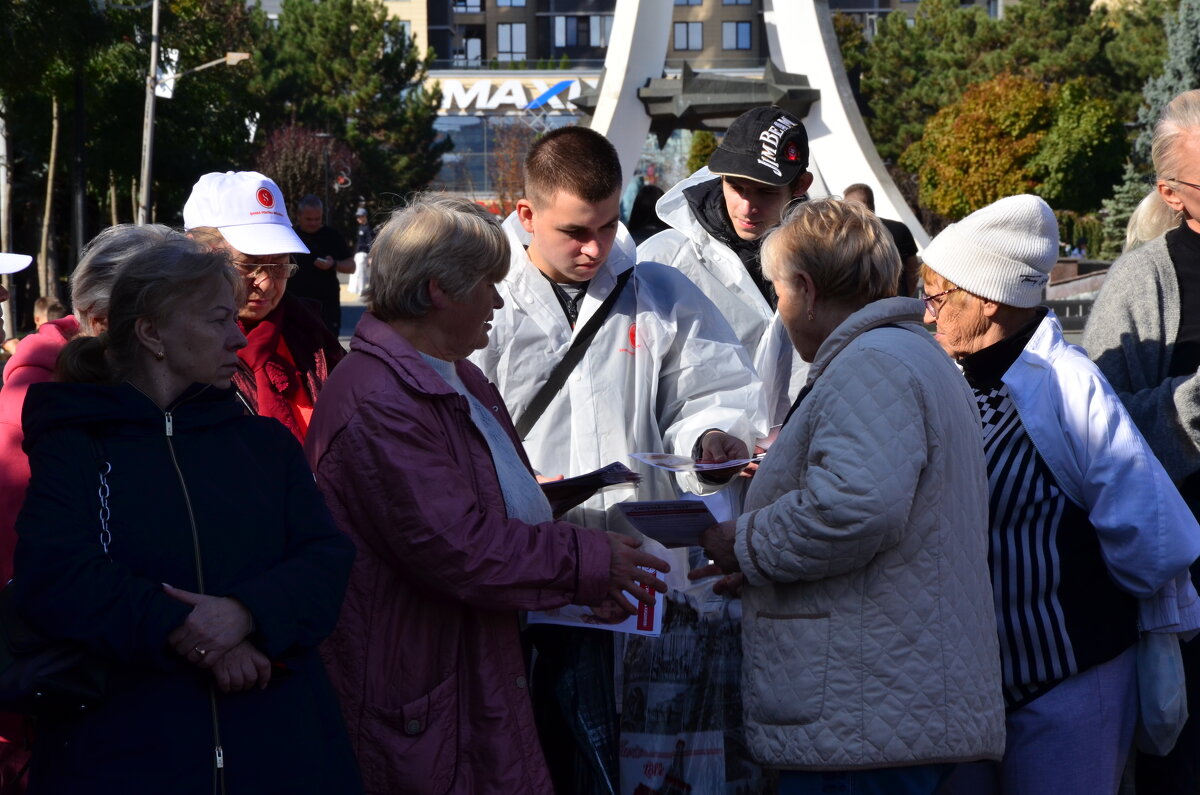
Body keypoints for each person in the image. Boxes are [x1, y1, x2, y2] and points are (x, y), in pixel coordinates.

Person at [304, 195, 669, 794]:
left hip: (461, 669)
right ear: (439, 291)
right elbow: (456, 548)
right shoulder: (382, 400)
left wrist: (570, 571)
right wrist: (585, 562)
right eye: (488, 285)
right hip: (426, 687)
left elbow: (480, 509)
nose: (500, 301)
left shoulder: (450, 372)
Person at [12, 236, 361, 793]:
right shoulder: (75, 441)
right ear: (152, 332)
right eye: (218, 319)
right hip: (125, 755)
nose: (238, 336)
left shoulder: (265, 444)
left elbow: (326, 558)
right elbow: (56, 575)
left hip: (279, 749)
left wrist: (246, 614)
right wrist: (187, 628)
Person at [697, 197, 1004, 794]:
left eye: (779, 292)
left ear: (807, 290)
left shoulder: (873, 364)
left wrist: (745, 543)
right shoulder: (912, 355)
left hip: (869, 722)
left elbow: (854, 508)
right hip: (891, 707)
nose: (779, 310)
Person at [919, 194, 1200, 795]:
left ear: (987, 299)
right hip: (974, 688)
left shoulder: (1066, 385)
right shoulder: (957, 376)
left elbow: (1155, 537)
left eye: (938, 296)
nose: (926, 314)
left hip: (1069, 683)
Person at [1083, 88, 1200, 794]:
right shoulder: (1144, 281)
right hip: (1189, 604)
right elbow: (1102, 447)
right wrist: (1192, 409)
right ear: (1172, 192)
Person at [639, 106, 812, 424]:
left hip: (794, 462)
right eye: (737, 188)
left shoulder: (827, 262)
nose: (747, 207)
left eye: (765, 192)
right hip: (694, 466)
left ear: (800, 185)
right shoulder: (662, 261)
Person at [183, 171, 345, 443]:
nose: (268, 284)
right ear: (199, 255)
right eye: (249, 265)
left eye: (279, 265)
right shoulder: (175, 354)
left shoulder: (311, 334)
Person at [290, 195, 354, 336]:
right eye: (309, 219)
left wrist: (334, 264)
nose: (313, 223)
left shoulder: (332, 236)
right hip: (295, 304)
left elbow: (351, 266)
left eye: (317, 219)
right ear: (299, 216)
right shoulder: (290, 236)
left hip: (326, 306)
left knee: (329, 348)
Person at [842, 182, 921, 295]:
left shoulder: (844, 235)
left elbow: (913, 271)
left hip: (862, 307)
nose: (845, 211)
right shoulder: (900, 229)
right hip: (896, 304)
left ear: (865, 205)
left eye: (849, 206)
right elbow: (913, 272)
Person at [348, 207, 373, 295]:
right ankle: (356, 290)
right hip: (358, 254)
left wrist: (370, 256)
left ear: (364, 216)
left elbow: (370, 242)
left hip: (363, 253)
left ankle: (362, 290)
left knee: (361, 273)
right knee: (355, 272)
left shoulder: (367, 229)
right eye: (357, 216)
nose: (358, 218)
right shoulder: (360, 227)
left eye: (360, 216)